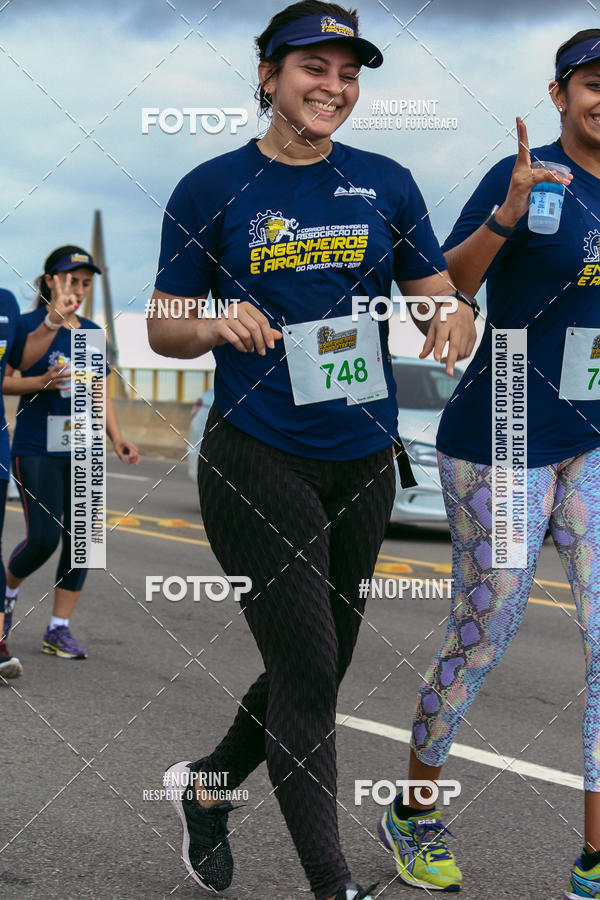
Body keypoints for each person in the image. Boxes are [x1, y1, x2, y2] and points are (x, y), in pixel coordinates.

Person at [149, 2, 477, 898]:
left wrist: (453, 313)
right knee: (304, 670)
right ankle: (332, 886)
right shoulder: (211, 187)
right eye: (313, 68)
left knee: (319, 667)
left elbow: (436, 292)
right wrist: (213, 321)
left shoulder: (387, 181)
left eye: (348, 73)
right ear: (267, 75)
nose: (333, 87)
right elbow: (164, 326)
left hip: (365, 459)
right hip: (257, 454)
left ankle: (208, 789)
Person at [377, 28, 600, 900]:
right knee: (489, 629)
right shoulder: (528, 174)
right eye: (591, 82)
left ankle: (593, 861)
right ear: (559, 95)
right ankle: (414, 810)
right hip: (504, 431)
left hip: (591, 440)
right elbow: (448, 282)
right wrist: (504, 220)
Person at [2, 245, 140, 661]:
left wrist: (116, 437)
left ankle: (58, 629)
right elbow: (6, 380)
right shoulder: (27, 325)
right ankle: (6, 593)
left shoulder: (92, 333)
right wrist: (49, 336)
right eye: (70, 281)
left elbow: (100, 391)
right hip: (37, 446)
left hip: (83, 446)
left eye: (84, 283)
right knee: (42, 540)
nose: (78, 290)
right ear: (50, 281)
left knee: (83, 543)